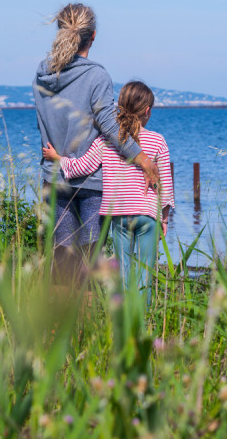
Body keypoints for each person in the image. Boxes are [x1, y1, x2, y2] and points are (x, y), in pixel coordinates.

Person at [33, 3, 158, 282]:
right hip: (91, 186)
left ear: (60, 32)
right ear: (93, 36)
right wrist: (144, 160)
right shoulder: (96, 76)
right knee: (88, 271)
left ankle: (56, 327)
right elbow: (110, 127)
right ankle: (86, 326)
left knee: (62, 268)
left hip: (53, 179)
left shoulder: (41, 75)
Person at [42, 81, 174, 301]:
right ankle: (142, 323)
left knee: (122, 274)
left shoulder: (107, 140)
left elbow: (81, 167)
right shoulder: (158, 141)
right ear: (147, 111)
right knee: (144, 276)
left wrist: (57, 159)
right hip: (148, 215)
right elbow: (166, 185)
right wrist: (165, 218)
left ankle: (121, 320)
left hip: (119, 216)